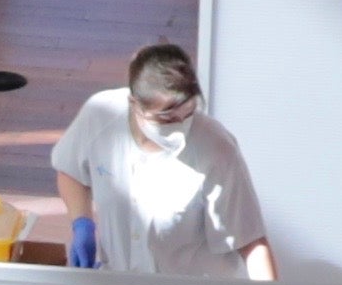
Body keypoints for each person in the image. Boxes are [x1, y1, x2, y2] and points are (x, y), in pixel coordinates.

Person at [53, 42, 275, 272]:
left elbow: (252, 243)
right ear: (134, 104)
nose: (179, 128)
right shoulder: (100, 115)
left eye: (188, 115)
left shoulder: (216, 149)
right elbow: (71, 171)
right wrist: (82, 223)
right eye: (166, 120)